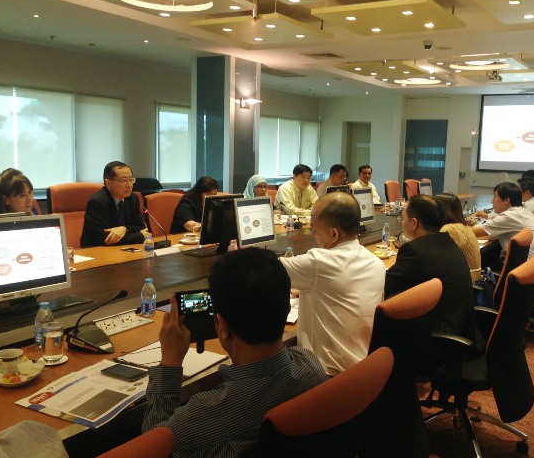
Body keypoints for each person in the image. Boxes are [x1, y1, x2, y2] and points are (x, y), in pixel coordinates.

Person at [142, 247, 328, 458]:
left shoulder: (201, 416)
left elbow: (150, 448)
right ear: (287, 309)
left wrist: (170, 363)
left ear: (222, 326)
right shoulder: (311, 366)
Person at [280, 192, 385, 376]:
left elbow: (265, 270)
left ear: (334, 234)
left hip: (325, 377)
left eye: (314, 230)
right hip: (363, 371)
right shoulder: (376, 263)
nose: (313, 235)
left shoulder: (319, 263)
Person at [385, 195, 480, 348]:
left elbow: (385, 286)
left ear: (414, 223)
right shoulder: (447, 240)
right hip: (461, 328)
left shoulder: (415, 251)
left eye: (402, 218)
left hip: (438, 339)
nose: (401, 222)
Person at [80, 161, 148, 247]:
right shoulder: (98, 202)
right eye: (124, 180)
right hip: (96, 251)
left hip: (122, 249)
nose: (129, 185)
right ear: (108, 183)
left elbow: (141, 227)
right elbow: (106, 239)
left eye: (131, 179)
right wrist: (139, 236)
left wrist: (124, 229)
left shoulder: (132, 198)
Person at [472, 182, 534, 262]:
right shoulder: (523, 212)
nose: (492, 201)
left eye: (495, 196)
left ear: (506, 200)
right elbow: (491, 235)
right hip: (531, 264)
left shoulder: (509, 216)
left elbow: (472, 232)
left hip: (520, 264)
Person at [435, 193, 482, 282]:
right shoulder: (461, 225)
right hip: (470, 277)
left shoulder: (450, 229)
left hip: (465, 280)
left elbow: (437, 259)